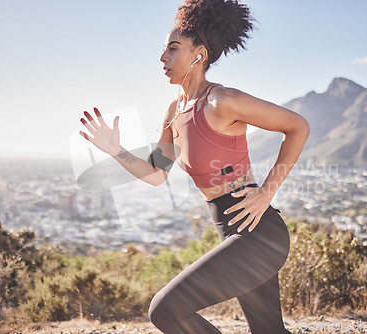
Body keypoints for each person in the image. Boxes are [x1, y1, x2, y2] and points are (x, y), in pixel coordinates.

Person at [79, 0, 310, 332]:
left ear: (199, 55)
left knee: (165, 309)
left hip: (258, 233)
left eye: (173, 49)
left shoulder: (222, 100)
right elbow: (157, 174)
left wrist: (265, 193)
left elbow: (298, 126)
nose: (163, 58)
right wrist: (116, 150)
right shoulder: (175, 110)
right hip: (232, 230)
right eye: (164, 50)